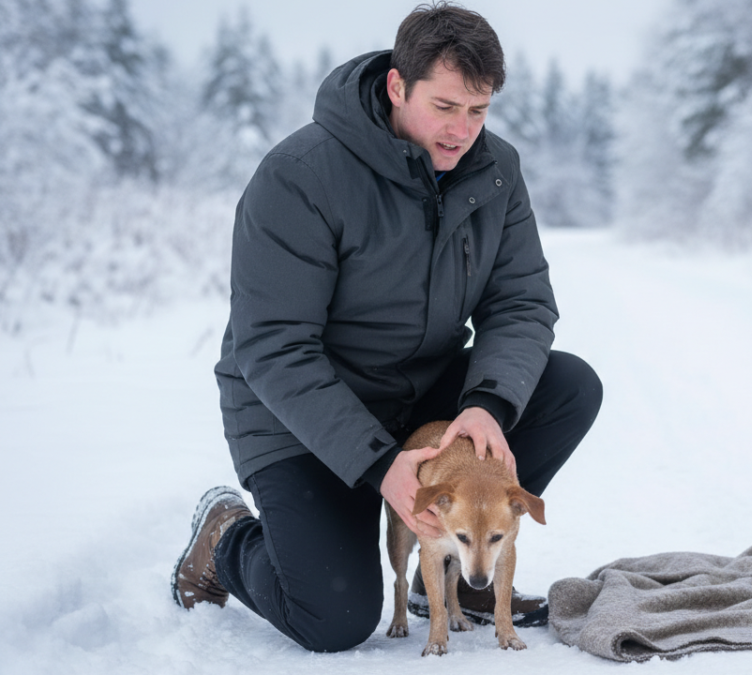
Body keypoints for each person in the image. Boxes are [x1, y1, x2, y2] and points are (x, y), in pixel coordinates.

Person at [170, 1, 602, 654]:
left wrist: (487, 405)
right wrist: (380, 465)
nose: (463, 131)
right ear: (398, 86)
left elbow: (521, 303)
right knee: (335, 618)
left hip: (420, 392)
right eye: (446, 107)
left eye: (479, 111)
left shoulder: (496, 171)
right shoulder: (300, 176)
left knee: (567, 385)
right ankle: (224, 536)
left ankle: (454, 561)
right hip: (301, 416)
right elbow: (274, 346)